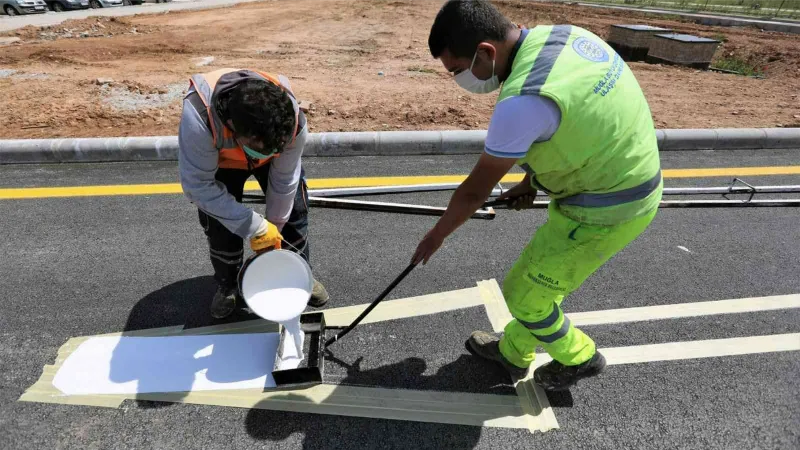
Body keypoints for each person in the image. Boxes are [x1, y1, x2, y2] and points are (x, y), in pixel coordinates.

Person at [413, 0, 662, 391]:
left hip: (605, 210)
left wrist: (437, 235)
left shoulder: (521, 103)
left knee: (524, 295)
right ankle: (513, 354)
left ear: (485, 52)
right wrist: (533, 183)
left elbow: (475, 190)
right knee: (537, 285)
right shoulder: (564, 36)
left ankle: (579, 357)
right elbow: (582, 123)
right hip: (625, 177)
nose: (460, 80)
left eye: (458, 70)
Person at [179, 68, 329, 319]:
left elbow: (284, 181)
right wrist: (256, 227)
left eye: (274, 148)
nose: (268, 154)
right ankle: (228, 284)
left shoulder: (291, 123)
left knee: (296, 212)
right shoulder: (200, 117)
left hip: (267, 148)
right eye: (261, 148)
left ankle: (298, 275)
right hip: (220, 164)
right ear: (234, 128)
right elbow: (198, 186)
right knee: (220, 225)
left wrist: (275, 227)